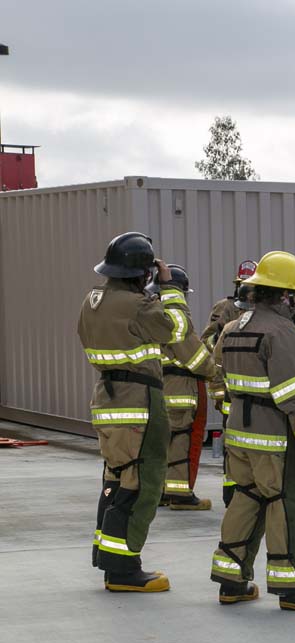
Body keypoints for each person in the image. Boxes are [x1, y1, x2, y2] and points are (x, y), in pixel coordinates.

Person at [208, 251, 295, 613]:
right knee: (288, 504)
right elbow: (294, 396)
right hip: (277, 439)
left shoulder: (234, 328)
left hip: (239, 435)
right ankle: (294, 589)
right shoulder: (282, 332)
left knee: (246, 500)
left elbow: (219, 376)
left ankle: (231, 582)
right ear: (284, 295)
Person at [77, 232, 188, 592]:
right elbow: (176, 330)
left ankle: (109, 557)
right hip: (139, 400)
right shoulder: (140, 306)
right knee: (141, 483)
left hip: (107, 397)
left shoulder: (92, 300)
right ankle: (124, 569)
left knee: (116, 479)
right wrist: (170, 289)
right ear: (142, 273)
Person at [148, 265, 220, 510]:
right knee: (183, 441)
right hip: (180, 390)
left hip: (156, 389)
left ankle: (160, 492)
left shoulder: (147, 314)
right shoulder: (175, 319)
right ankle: (180, 496)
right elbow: (195, 358)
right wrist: (215, 371)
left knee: (161, 445)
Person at [207, 265, 256, 508]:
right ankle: (231, 491)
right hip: (229, 392)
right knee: (232, 445)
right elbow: (209, 344)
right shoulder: (224, 309)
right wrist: (217, 393)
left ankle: (250, 491)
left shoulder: (264, 314)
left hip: (254, 396)